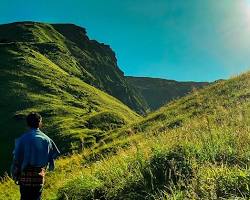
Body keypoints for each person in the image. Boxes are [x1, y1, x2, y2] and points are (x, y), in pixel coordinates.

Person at [11, 112, 60, 200]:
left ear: (27, 123)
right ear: (40, 123)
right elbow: (52, 157)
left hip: (25, 178)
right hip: (39, 178)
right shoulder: (47, 140)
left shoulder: (22, 139)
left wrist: (15, 174)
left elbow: (16, 160)